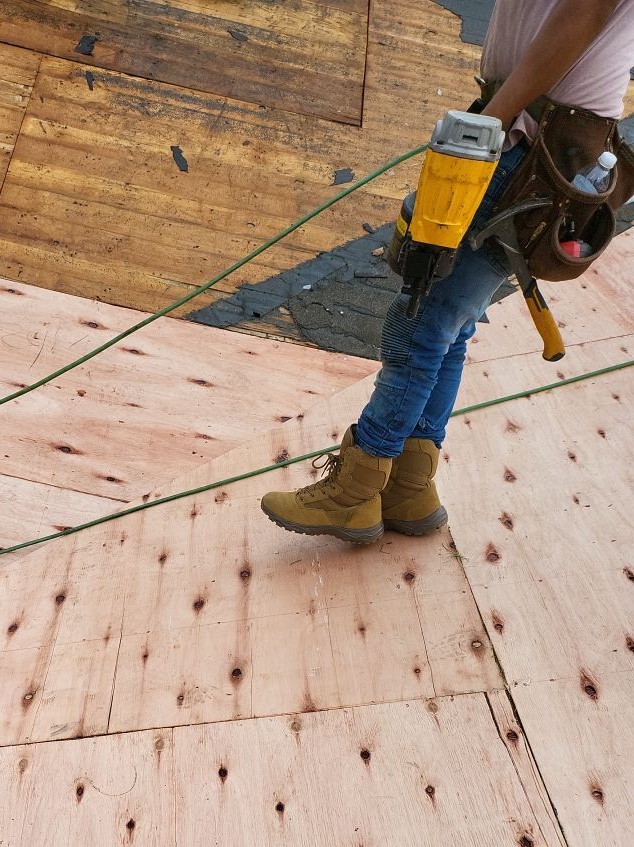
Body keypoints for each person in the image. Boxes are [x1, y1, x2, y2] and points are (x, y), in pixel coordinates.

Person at [260, 0, 634, 545]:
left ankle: (355, 490)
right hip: (542, 130)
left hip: (531, 136)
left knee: (420, 323)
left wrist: (494, 116)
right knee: (450, 321)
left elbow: (582, 13)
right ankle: (409, 486)